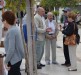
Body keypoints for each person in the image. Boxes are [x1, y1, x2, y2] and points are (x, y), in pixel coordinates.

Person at [2, 11, 24, 75]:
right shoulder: (14, 29)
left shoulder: (12, 31)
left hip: (14, 60)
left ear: (5, 20)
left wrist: (5, 61)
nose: (2, 22)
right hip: (16, 59)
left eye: (2, 19)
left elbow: (11, 49)